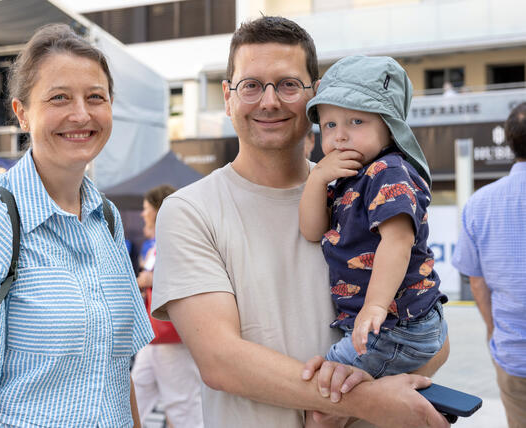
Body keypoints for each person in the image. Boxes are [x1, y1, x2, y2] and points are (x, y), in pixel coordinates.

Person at [151, 16, 450, 428]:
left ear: (315, 94)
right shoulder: (190, 210)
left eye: (288, 85)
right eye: (251, 85)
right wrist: (363, 401)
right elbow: (221, 361)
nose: (269, 101)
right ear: (227, 97)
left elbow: (437, 340)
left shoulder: (362, 189)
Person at [0, 24, 153, 428]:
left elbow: (116, 374)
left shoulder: (105, 218)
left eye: (96, 97)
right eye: (59, 97)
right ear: (22, 113)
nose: (81, 114)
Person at [299, 56, 448, 427]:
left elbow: (397, 242)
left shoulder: (387, 170)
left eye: (357, 121)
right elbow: (311, 230)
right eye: (330, 124)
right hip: (392, 323)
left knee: (324, 396)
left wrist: (375, 307)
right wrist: (317, 181)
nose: (341, 135)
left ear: (390, 126)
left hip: (396, 324)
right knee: (339, 386)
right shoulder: (348, 176)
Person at [452, 102, 526, 428]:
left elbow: (476, 281)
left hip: (512, 355)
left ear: (509, 142)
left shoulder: (480, 204)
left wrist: (494, 331)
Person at [132, 185, 204, 428]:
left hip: (171, 334)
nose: (143, 214)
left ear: (158, 210)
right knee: (136, 393)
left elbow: (192, 275)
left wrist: (152, 279)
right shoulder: (156, 243)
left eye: (146, 209)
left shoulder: (179, 240)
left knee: (182, 404)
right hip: (154, 335)